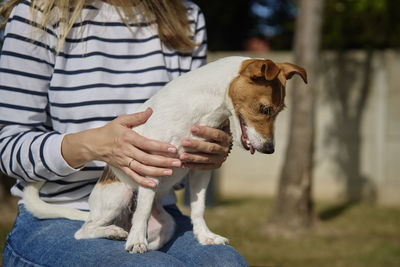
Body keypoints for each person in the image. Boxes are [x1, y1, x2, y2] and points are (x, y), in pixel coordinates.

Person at [0, 0, 248, 266]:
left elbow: (178, 168)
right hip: (55, 215)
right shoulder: (36, 12)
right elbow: (8, 147)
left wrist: (210, 149)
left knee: (226, 262)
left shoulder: (186, 16)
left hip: (157, 209)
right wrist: (93, 146)